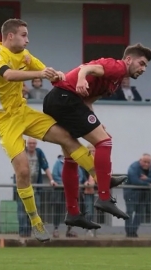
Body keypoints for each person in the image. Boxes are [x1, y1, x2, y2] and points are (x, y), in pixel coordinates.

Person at [0, 18, 125, 242]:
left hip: (23, 112)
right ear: (10, 36)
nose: (27, 40)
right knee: (22, 172)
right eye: (23, 35)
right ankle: (36, 221)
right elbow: (9, 74)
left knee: (67, 138)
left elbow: (42, 68)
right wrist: (41, 75)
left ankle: (100, 179)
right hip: (3, 121)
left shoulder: (25, 55)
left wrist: (56, 75)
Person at [43, 43, 151, 222]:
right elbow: (87, 68)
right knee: (105, 142)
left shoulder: (114, 82)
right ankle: (104, 196)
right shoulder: (117, 67)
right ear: (129, 59)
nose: (144, 69)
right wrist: (81, 79)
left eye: (146, 66)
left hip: (61, 101)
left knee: (71, 154)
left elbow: (87, 102)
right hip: (65, 98)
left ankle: (73, 213)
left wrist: (97, 123)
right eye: (142, 63)